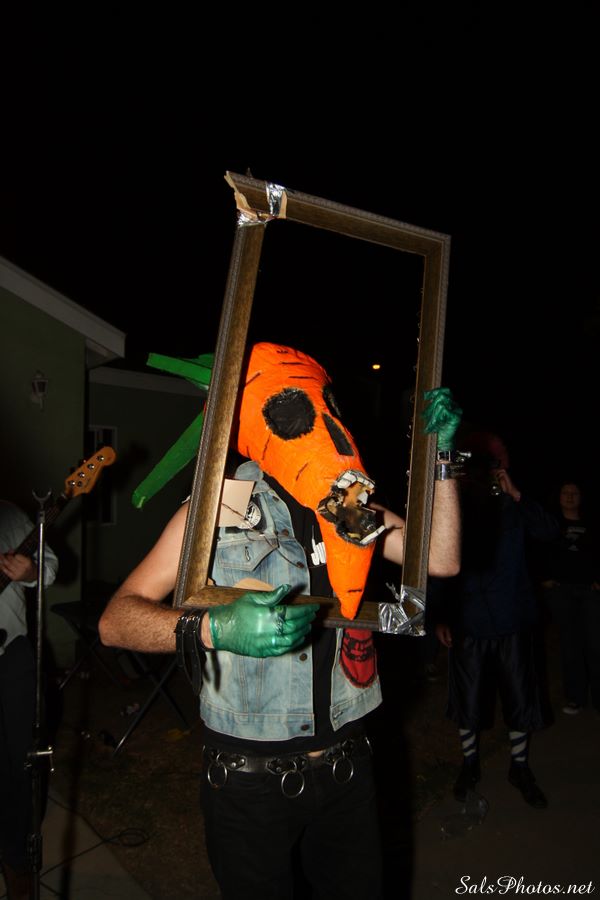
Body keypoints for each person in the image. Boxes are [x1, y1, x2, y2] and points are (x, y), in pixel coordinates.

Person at [99, 343, 462, 899]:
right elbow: (116, 621)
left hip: (347, 766)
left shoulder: (349, 504)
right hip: (249, 785)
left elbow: (441, 558)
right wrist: (213, 629)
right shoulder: (215, 512)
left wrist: (443, 459)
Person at [435, 432, 560, 811]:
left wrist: (517, 495)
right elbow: (442, 563)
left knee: (520, 697)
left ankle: (519, 767)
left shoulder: (514, 504)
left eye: (497, 464)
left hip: (513, 620)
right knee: (469, 699)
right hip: (469, 620)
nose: (491, 471)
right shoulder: (459, 502)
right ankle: (469, 763)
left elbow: (549, 531)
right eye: (486, 464)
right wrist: (442, 615)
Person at [0, 499, 58, 900]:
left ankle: (17, 861)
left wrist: (31, 572)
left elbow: (49, 566)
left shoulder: (9, 514)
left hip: (11, 654)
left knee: (20, 761)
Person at [540, 480, 600, 714]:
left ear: (581, 497)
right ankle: (575, 697)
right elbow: (539, 550)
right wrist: (545, 578)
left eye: (574, 492)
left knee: (595, 643)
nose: (570, 496)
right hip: (561, 590)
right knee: (570, 644)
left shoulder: (592, 524)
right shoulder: (551, 524)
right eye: (565, 492)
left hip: (590, 591)